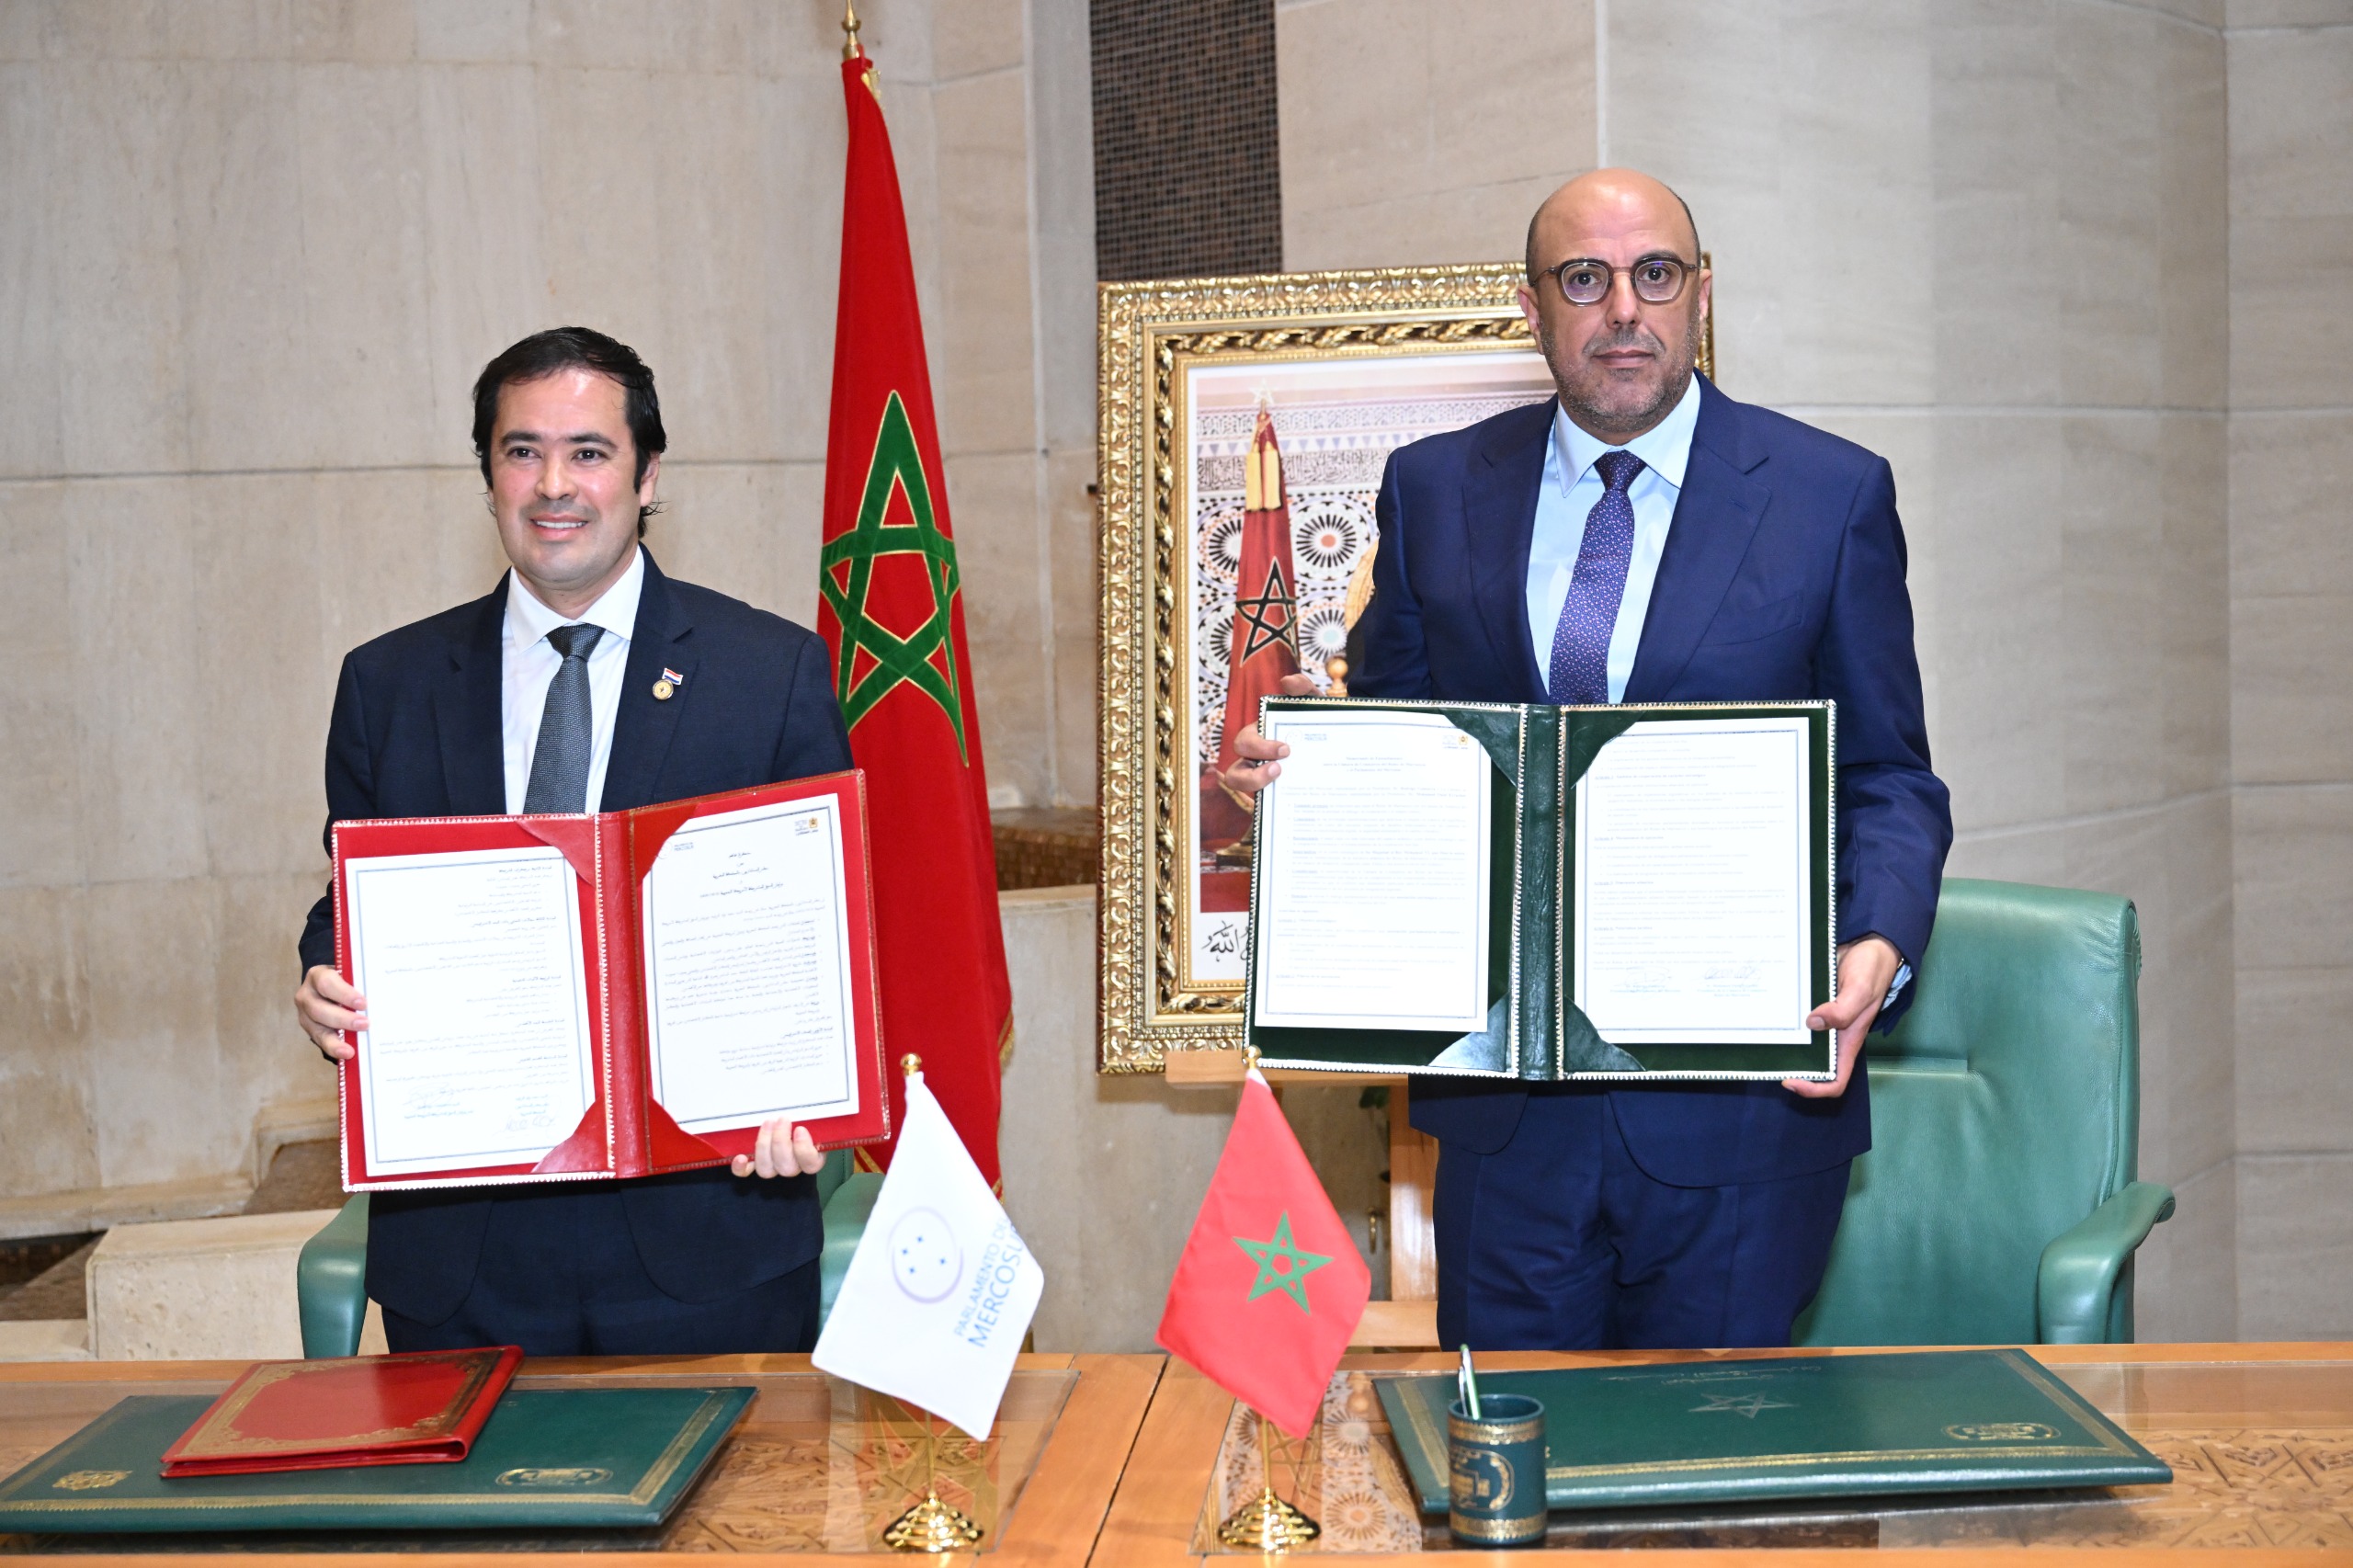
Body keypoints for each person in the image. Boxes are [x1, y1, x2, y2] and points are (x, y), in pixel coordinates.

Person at [1223, 171, 1952, 1349]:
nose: (1623, 308)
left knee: (1720, 1456)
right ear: (1532, 307)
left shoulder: (1829, 495)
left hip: (1741, 1117)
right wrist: (1304, 780)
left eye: (1654, 274)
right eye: (1584, 278)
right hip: (1509, 1121)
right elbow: (1402, 746)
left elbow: (1889, 775)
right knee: (1509, 1451)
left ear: (1699, 294)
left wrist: (1879, 941)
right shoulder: (1434, 488)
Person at [293, 327, 852, 1356]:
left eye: (589, 452)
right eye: (523, 451)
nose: (554, 485)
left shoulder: (768, 672)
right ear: (488, 476)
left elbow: (823, 933)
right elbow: (349, 896)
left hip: (708, 1232)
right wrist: (326, 975)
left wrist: (798, 1089)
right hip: (467, 1249)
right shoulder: (388, 684)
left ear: (647, 475)